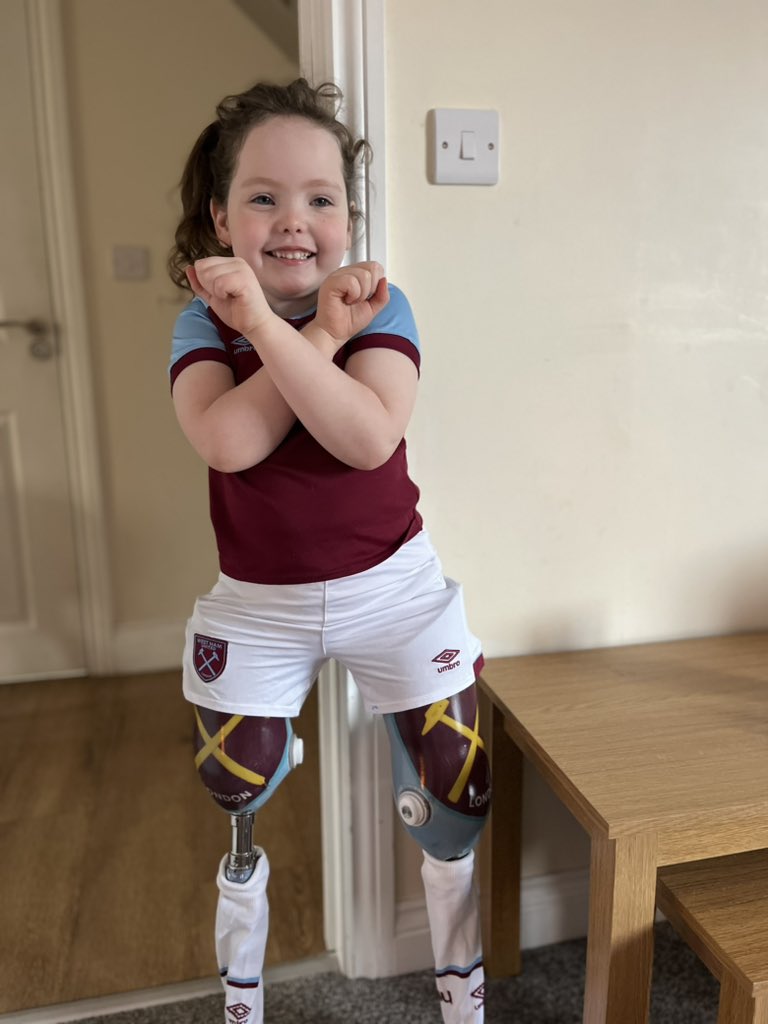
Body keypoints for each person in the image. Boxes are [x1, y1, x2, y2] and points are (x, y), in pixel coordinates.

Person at [167, 78, 491, 1024]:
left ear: (349, 215)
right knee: (236, 779)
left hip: (393, 587)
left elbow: (366, 438)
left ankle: (461, 1003)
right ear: (222, 215)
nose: (294, 221)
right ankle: (243, 1002)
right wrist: (302, 331)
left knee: (455, 782)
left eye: (321, 199)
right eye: (263, 198)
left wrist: (285, 328)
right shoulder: (199, 322)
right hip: (257, 598)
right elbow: (229, 442)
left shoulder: (382, 306)